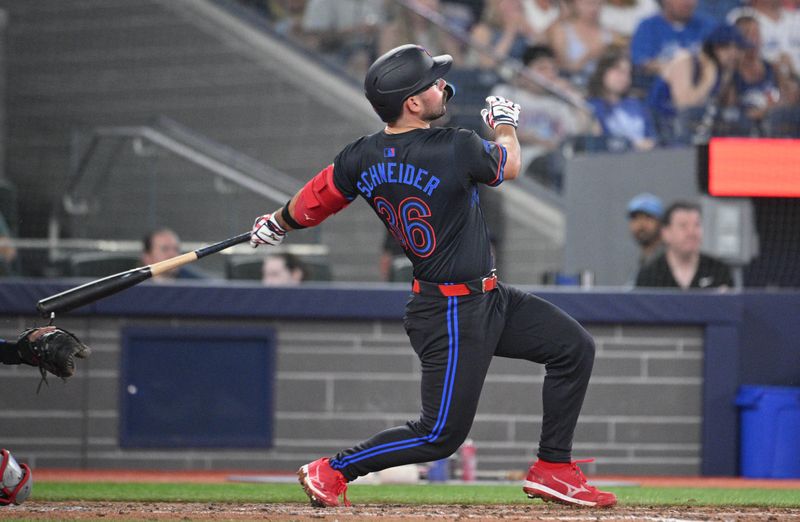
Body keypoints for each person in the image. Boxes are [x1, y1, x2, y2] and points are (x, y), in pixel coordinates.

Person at [250, 44, 617, 508]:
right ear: (413, 103)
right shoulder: (456, 145)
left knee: (573, 347)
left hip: (485, 299)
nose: (443, 85)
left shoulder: (360, 156)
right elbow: (511, 163)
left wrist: (277, 222)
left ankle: (554, 468)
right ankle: (333, 470)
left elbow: (315, 199)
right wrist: (504, 122)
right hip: (450, 309)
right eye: (433, 82)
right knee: (440, 435)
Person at [490, 44, 593, 190]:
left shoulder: (559, 104)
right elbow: (493, 130)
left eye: (552, 70)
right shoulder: (507, 93)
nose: (549, 75)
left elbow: (581, 132)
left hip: (556, 161)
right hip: (521, 160)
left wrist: (572, 97)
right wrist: (539, 141)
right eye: (542, 69)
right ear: (524, 73)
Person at [636, 201, 733, 289]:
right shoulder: (650, 273)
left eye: (697, 225)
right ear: (666, 233)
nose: (691, 232)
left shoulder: (718, 270)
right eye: (683, 226)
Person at [587, 49, 658, 150]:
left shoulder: (638, 105)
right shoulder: (591, 107)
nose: (624, 78)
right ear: (603, 71)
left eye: (627, 73)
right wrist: (632, 145)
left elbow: (652, 137)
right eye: (619, 71)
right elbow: (600, 143)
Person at [630, 0, 717, 77]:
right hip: (657, 89)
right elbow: (642, 62)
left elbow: (719, 61)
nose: (687, 2)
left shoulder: (708, 26)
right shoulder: (648, 27)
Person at [548, 0, 618, 88]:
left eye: (599, 4)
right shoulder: (562, 30)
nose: (595, 8)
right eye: (589, 3)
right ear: (575, 4)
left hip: (600, 89)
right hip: (570, 85)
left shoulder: (610, 34)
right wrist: (588, 56)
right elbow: (560, 67)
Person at [626, 193, 665, 268]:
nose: (641, 224)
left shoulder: (671, 261)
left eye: (648, 217)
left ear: (661, 223)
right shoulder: (644, 260)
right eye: (635, 218)